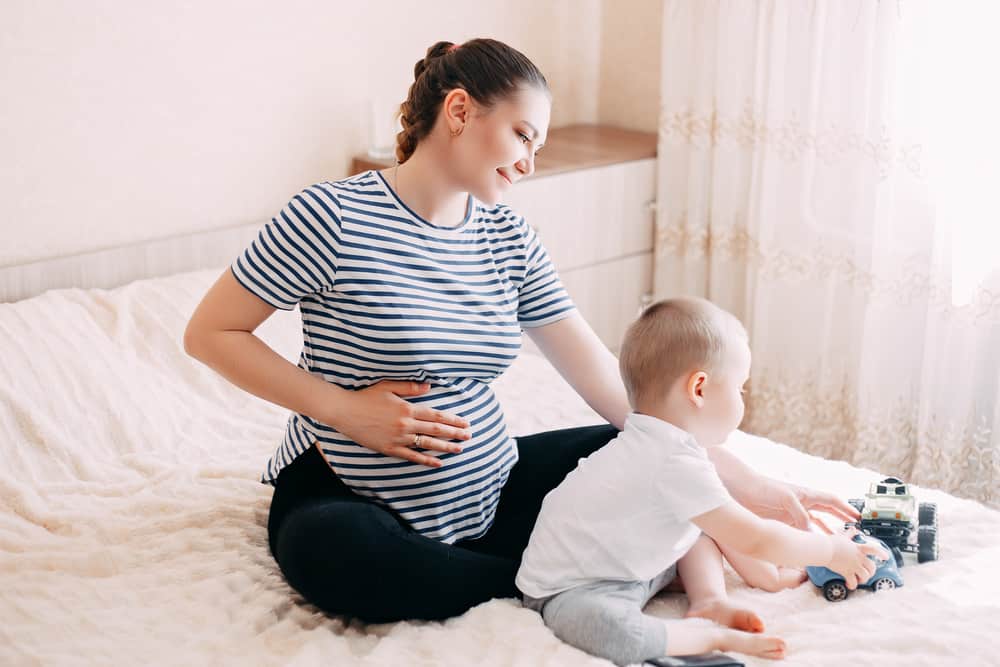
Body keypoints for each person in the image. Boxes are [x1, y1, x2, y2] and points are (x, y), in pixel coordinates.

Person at [183, 38, 863, 624]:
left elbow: (610, 385)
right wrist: (345, 409)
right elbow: (211, 333)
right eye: (522, 135)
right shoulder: (331, 216)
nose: (530, 162)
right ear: (458, 111)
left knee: (649, 456)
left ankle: (588, 575)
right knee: (335, 554)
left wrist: (756, 486)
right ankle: (559, 578)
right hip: (348, 489)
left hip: (490, 487)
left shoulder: (509, 238)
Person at [515, 297, 889, 664]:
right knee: (620, 635)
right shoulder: (670, 461)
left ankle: (709, 599)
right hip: (571, 589)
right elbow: (755, 537)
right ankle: (709, 635)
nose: (743, 399)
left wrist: (766, 573)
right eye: (740, 387)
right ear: (699, 388)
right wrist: (830, 551)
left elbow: (729, 526)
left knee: (705, 520)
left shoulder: (663, 442)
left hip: (628, 565)